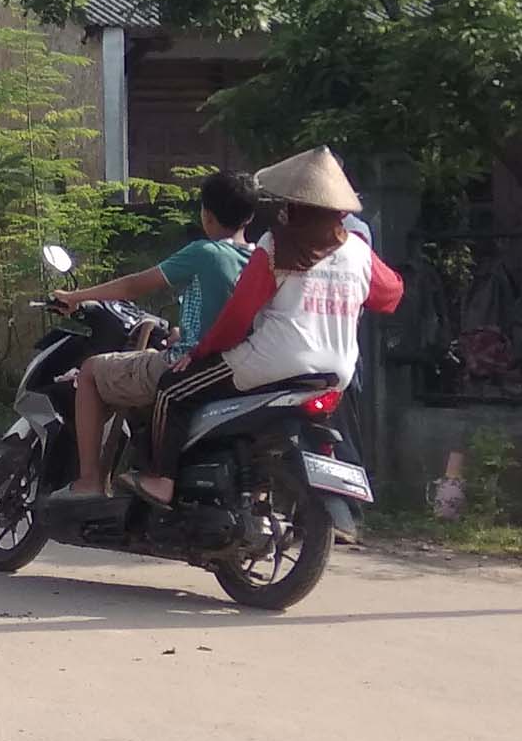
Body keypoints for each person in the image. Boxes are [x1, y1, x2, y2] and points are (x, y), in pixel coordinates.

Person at [137, 146, 405, 504]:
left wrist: (200, 353)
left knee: (172, 390)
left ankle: (162, 480)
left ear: (297, 205)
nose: (280, 208)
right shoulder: (356, 250)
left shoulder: (275, 245)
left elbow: (237, 317)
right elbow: (390, 296)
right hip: (334, 372)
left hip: (271, 363)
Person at [46, 169, 256, 498]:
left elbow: (132, 286)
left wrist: (74, 297)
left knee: (89, 373)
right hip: (233, 366)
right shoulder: (258, 259)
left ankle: (88, 483)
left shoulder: (205, 252)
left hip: (187, 366)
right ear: (251, 216)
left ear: (207, 213)